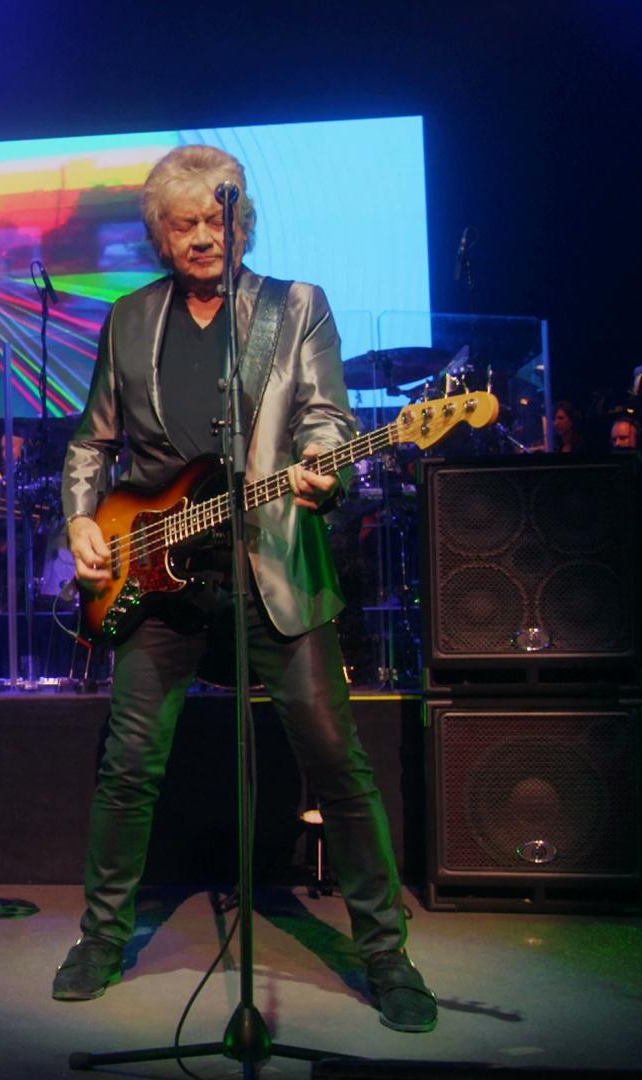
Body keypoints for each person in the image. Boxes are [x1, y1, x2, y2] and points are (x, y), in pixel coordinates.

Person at [52, 146, 435, 1033]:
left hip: (275, 572)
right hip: (155, 578)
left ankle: (387, 955)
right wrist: (81, 519)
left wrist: (321, 470)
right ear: (160, 233)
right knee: (127, 771)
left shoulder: (297, 308)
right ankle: (102, 938)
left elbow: (330, 416)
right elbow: (90, 444)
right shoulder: (129, 318)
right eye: (181, 225)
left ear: (240, 220)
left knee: (339, 768)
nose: (200, 238)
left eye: (213, 221)